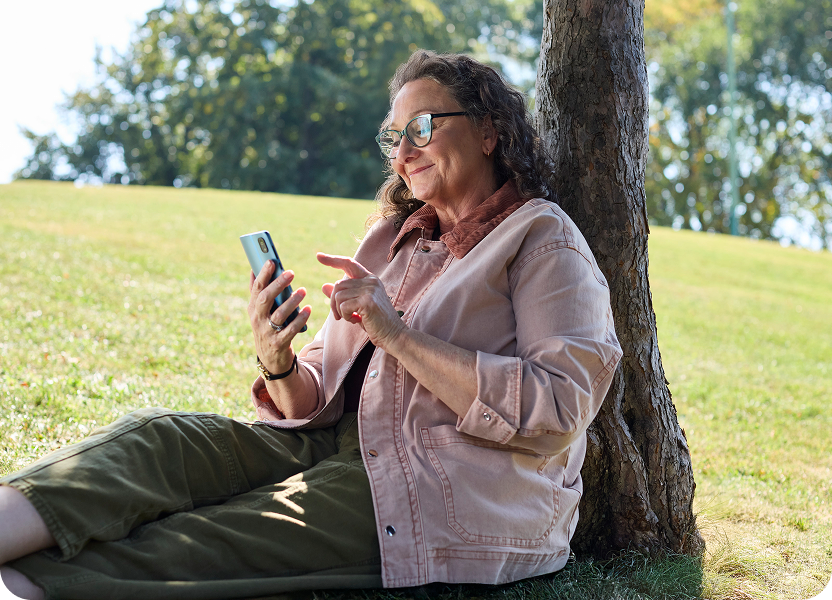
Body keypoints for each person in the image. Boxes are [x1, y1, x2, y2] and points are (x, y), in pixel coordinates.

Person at [0, 50, 622, 599]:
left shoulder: (542, 239)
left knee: (219, 531)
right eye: (392, 137)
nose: (403, 153)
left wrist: (397, 334)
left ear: (488, 132)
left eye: (423, 128)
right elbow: (312, 400)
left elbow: (560, 409)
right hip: (332, 445)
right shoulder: (392, 240)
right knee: (159, 440)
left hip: (448, 482)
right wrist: (277, 360)